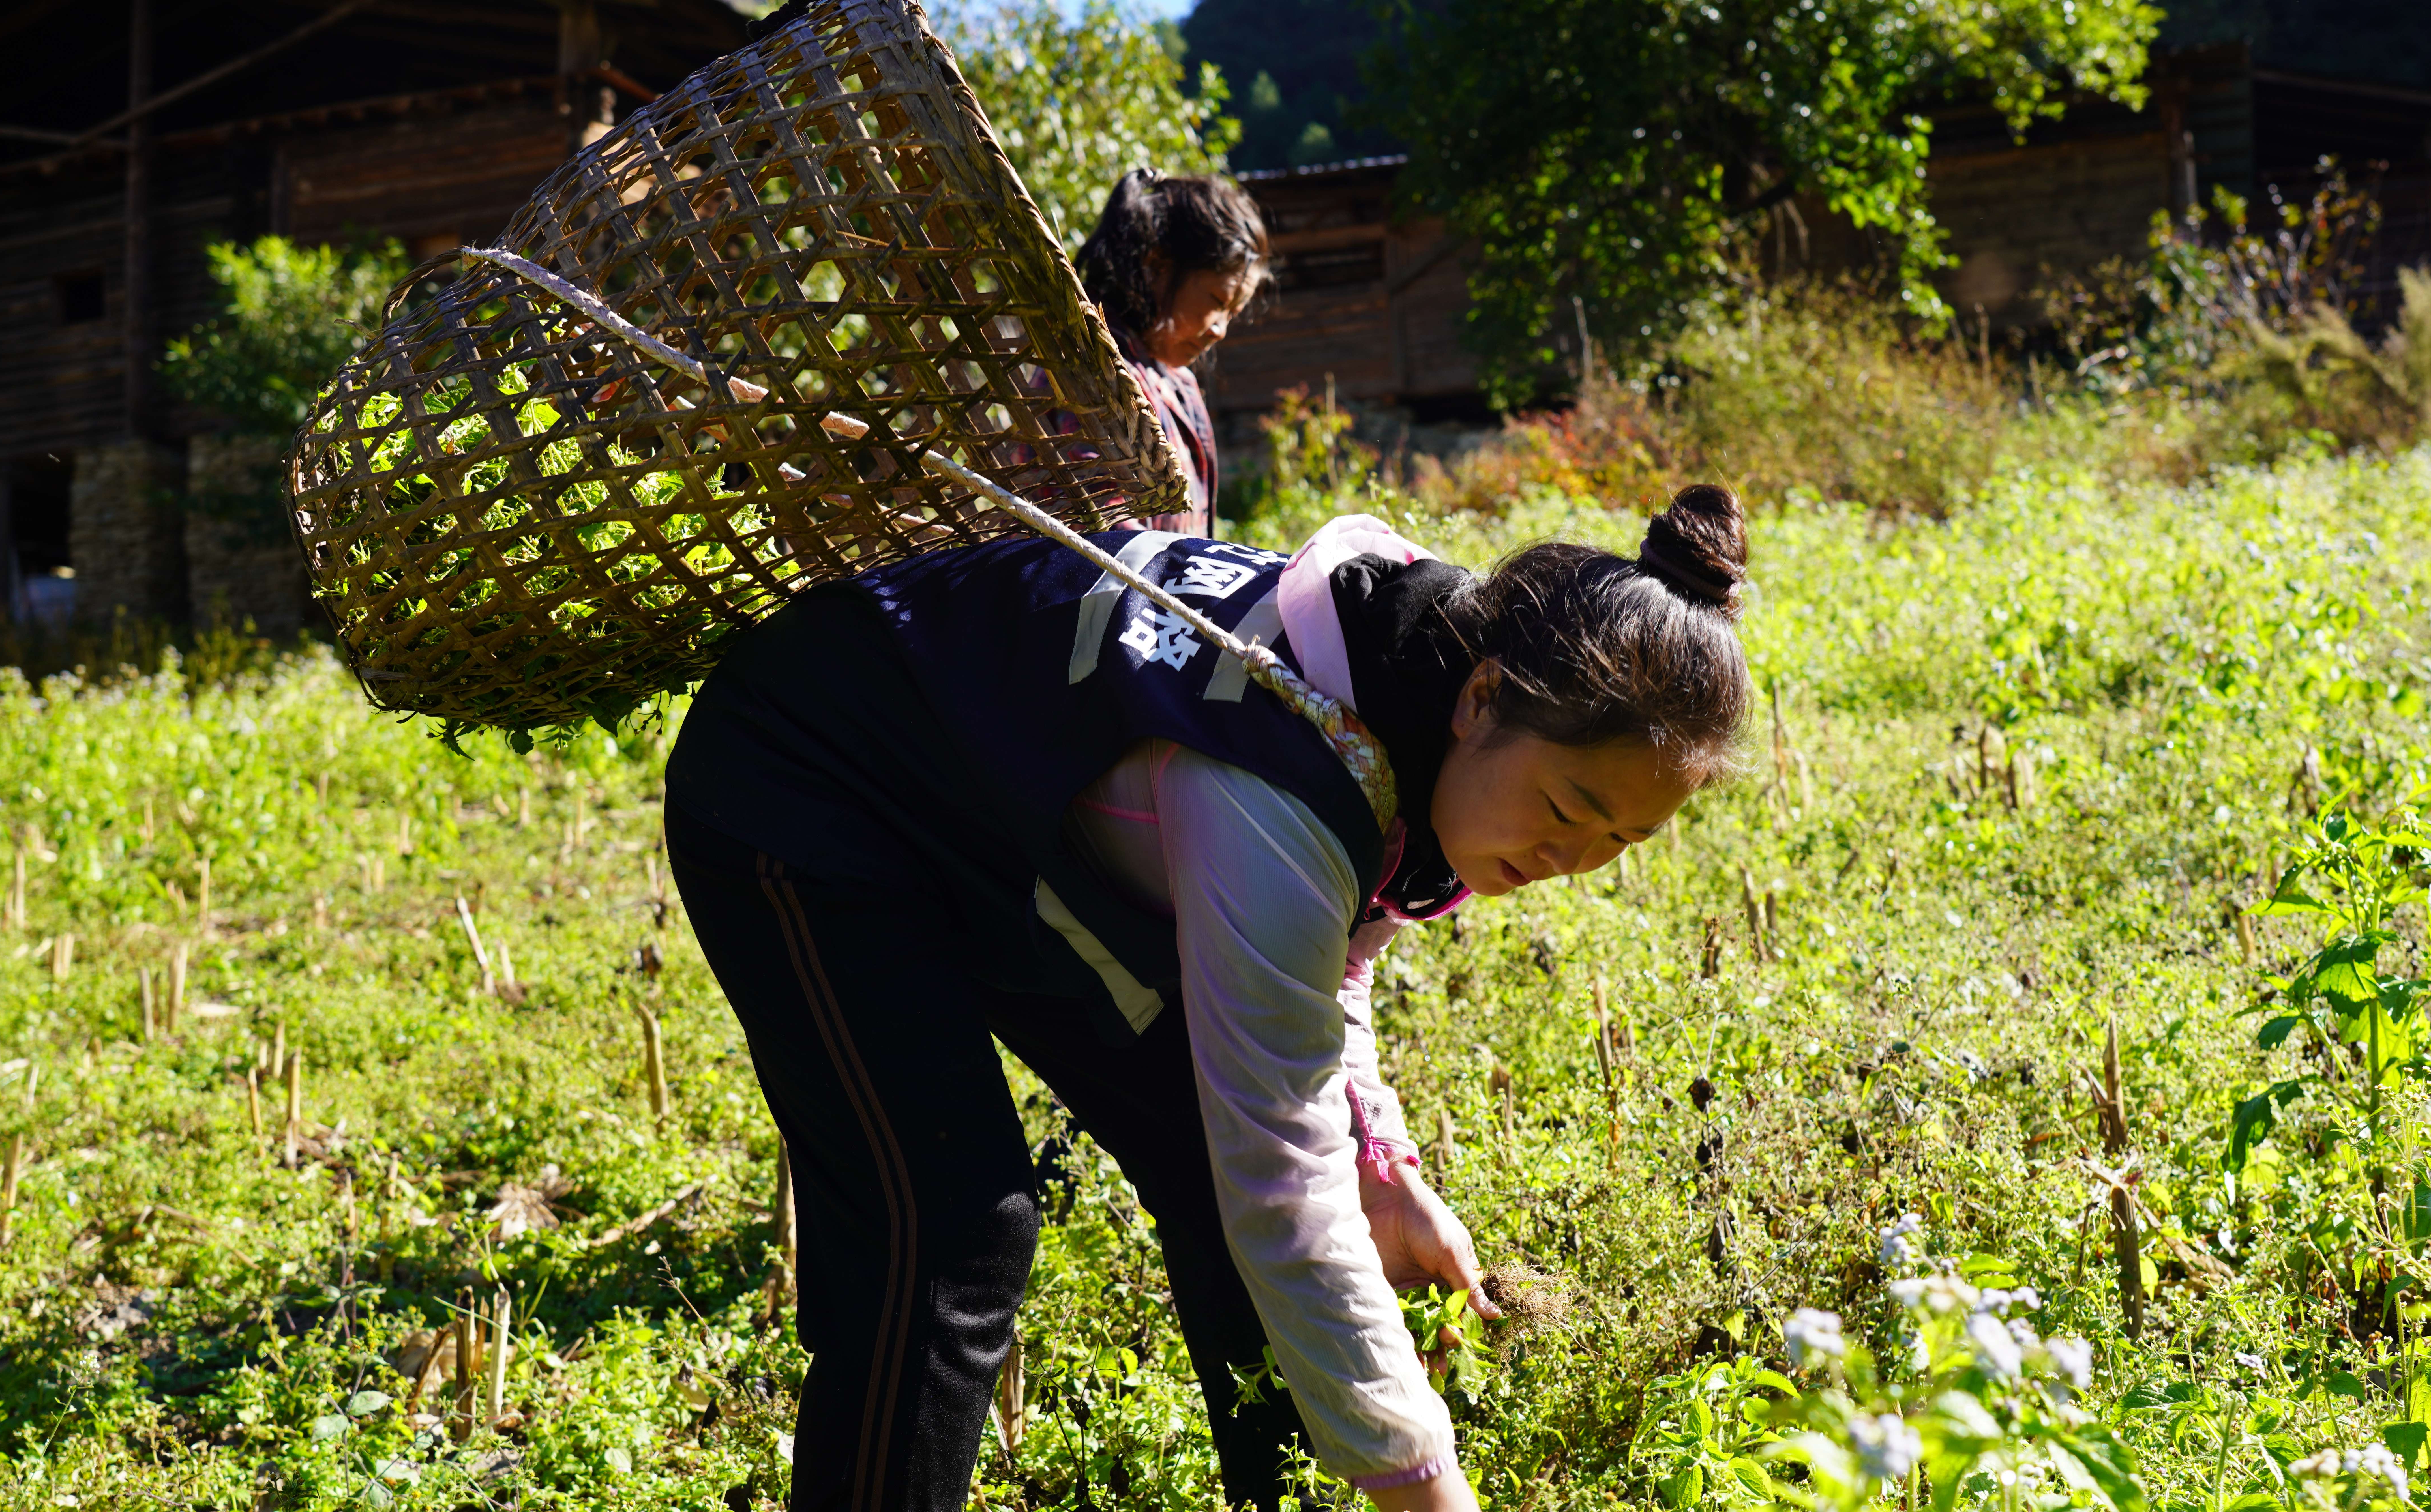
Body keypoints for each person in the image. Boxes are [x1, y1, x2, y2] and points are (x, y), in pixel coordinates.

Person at [661, 482, 1755, 1510]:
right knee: (946, 1232)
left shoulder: (1432, 695)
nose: (1572, 858)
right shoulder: (1287, 771)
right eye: (1567, 808)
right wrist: (1421, 1474)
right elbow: (1282, 1164)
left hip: (999, 819)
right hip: (810, 774)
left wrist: (1379, 1166)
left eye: (1621, 840)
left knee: (1212, 1162)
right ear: (1482, 700)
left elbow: (1331, 955)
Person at [1073, 169, 1269, 537]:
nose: (1220, 330)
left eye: (1233, 313)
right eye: (1217, 302)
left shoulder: (1180, 386)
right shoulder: (1089, 372)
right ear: (1157, 265)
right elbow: (1108, 537)